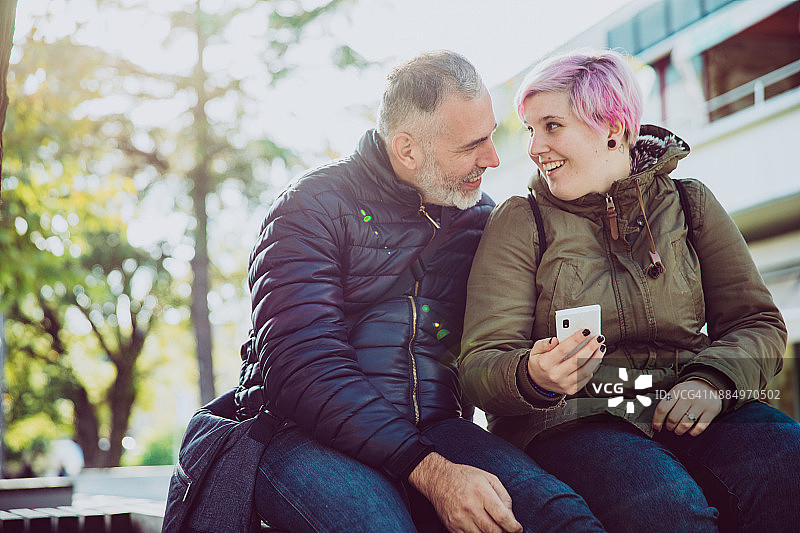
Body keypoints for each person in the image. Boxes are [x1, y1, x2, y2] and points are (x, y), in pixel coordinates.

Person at [234, 50, 606, 533]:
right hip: (302, 436)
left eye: (491, 136)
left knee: (561, 520)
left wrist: (538, 371)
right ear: (408, 150)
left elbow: (497, 348)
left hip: (437, 430)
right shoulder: (310, 209)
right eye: (472, 145)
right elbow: (303, 367)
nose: (493, 158)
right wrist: (431, 472)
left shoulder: (481, 219)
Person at [459, 48, 800, 533]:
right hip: (574, 417)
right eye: (530, 130)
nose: (534, 147)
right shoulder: (521, 220)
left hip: (691, 397)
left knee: (789, 470)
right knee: (666, 511)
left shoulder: (691, 203)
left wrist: (713, 382)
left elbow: (758, 323)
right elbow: (478, 364)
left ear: (614, 130)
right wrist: (531, 374)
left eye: (551, 126)